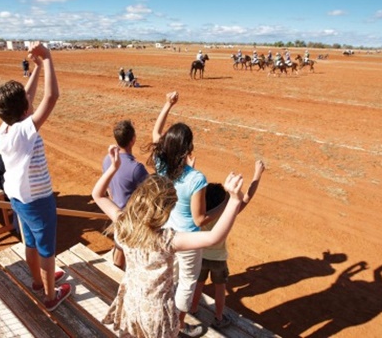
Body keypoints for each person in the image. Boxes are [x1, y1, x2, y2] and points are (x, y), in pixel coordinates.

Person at [93, 145, 246, 338]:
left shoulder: (124, 224)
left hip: (131, 301)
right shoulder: (167, 240)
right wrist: (233, 200)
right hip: (156, 314)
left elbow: (97, 195)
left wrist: (113, 168)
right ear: (165, 211)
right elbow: (213, 237)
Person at [0, 41, 71, 311]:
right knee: (47, 250)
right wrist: (47, 59)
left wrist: (35, 69)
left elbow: (27, 96)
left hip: (17, 195)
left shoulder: (6, 127)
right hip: (37, 200)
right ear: (24, 109)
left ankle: (38, 281)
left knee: (31, 242)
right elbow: (51, 98)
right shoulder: (25, 131)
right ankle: (50, 297)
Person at [146, 91, 222, 336]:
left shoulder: (161, 164)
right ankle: (177, 326)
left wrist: (167, 104)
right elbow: (200, 219)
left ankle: (165, 314)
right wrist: (228, 204)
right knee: (187, 282)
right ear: (188, 148)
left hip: (166, 231)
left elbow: (155, 134)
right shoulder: (196, 179)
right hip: (188, 238)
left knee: (170, 276)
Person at [190, 160, 265, 330]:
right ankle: (218, 317)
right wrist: (257, 175)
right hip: (218, 259)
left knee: (198, 285)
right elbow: (247, 197)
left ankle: (193, 309)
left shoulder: (198, 215)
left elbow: (190, 194)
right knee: (219, 289)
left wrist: (192, 169)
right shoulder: (227, 212)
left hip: (200, 256)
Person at [102, 119, 149, 270]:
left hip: (116, 213)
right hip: (133, 220)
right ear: (133, 139)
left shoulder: (107, 160)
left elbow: (107, 188)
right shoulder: (137, 168)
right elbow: (151, 192)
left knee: (119, 249)